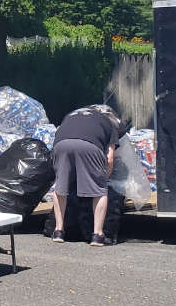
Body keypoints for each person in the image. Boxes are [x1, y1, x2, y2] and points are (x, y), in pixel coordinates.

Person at [49, 105, 127, 246]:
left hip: (60, 144)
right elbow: (109, 158)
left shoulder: (73, 114)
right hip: (89, 146)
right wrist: (104, 178)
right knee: (99, 191)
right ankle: (97, 234)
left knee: (60, 188)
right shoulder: (109, 123)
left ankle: (58, 231)